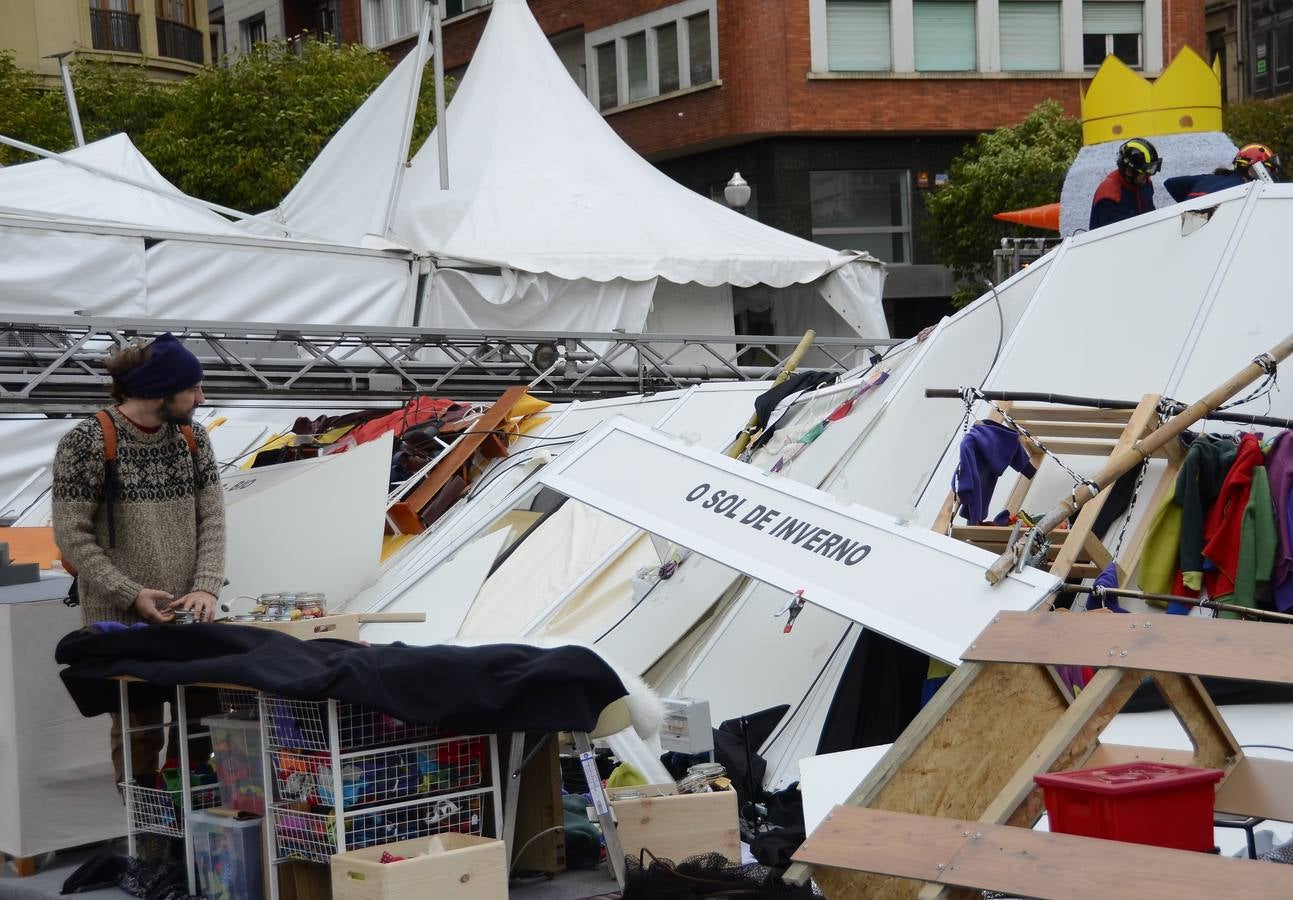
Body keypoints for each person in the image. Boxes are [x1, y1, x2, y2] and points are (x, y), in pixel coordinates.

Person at [52, 332, 226, 786]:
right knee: (139, 735)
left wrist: (206, 586)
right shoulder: (87, 441)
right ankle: (147, 838)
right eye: (193, 388)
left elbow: (213, 518)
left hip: (192, 617)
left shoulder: (193, 438)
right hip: (121, 621)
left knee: (201, 732)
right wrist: (130, 594)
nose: (201, 398)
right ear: (159, 390)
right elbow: (72, 536)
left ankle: (199, 840)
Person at [1165, 142, 1282, 201]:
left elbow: (1170, 183)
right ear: (1253, 170)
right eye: (1267, 170)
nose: (1269, 175)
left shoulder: (1208, 178)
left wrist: (1186, 204)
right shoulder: (1244, 190)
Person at [1089, 138, 1161, 230]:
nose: (1148, 177)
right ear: (1129, 172)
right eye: (1145, 173)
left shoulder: (1144, 183)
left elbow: (1151, 217)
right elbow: (1117, 238)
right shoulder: (1110, 196)